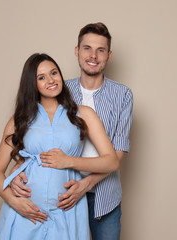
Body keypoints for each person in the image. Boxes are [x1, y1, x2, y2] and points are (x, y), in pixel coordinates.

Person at [11, 22, 133, 240]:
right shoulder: (57, 90)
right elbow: (36, 137)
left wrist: (84, 185)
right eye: (87, 48)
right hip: (59, 192)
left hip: (104, 195)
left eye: (100, 50)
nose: (93, 55)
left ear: (109, 55)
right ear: (77, 51)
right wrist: (14, 174)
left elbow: (117, 154)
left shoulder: (123, 95)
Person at [0, 53, 119, 240]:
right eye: (41, 77)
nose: (51, 80)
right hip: (24, 215)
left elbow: (112, 162)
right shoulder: (19, 120)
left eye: (54, 73)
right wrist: (13, 201)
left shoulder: (84, 114)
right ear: (32, 84)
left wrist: (69, 161)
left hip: (66, 213)